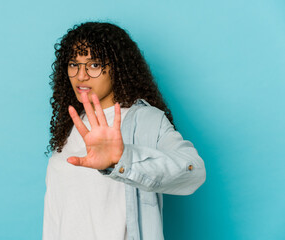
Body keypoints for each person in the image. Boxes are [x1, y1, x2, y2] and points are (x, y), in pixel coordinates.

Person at [42, 21, 206, 240]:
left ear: (117, 67)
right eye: (74, 64)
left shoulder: (146, 119)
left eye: (93, 65)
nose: (81, 75)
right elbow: (56, 215)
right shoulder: (71, 124)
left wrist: (121, 160)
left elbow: (193, 172)